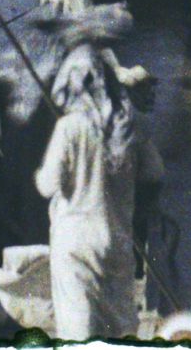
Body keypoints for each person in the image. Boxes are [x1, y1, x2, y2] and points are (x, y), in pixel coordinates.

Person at [34, 47, 165, 342]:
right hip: (117, 240)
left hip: (76, 244)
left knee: (78, 332)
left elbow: (47, 185)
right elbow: (155, 174)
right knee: (121, 328)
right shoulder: (132, 123)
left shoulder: (69, 127)